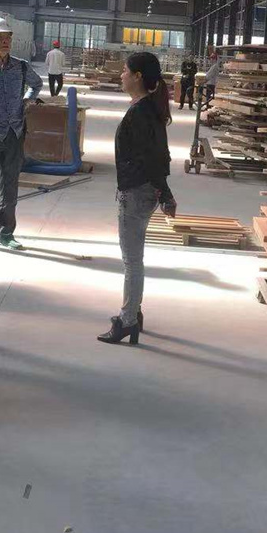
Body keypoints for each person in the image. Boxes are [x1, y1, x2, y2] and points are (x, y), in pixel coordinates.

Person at [98, 52, 177, 346]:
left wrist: (163, 192)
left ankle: (128, 320)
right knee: (135, 259)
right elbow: (160, 156)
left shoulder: (141, 113)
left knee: (132, 261)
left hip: (136, 193)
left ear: (138, 77)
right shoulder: (147, 108)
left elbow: (153, 159)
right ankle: (134, 311)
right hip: (142, 191)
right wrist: (164, 192)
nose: (121, 75)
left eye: (125, 71)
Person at [0, 16, 43, 251]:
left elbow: (36, 84)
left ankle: (6, 233)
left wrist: (27, 100)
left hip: (15, 133)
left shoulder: (21, 67)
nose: (5, 41)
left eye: (8, 37)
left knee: (10, 185)